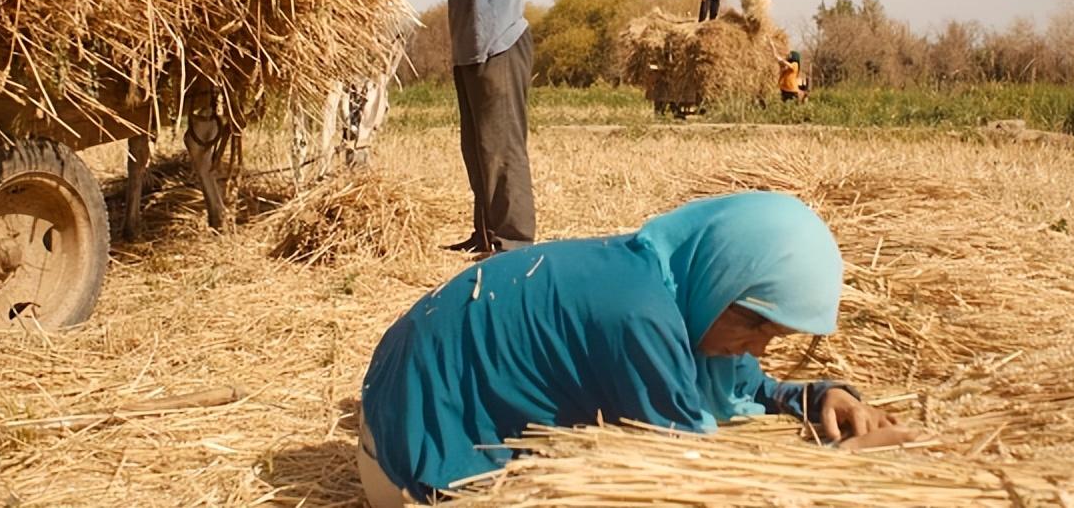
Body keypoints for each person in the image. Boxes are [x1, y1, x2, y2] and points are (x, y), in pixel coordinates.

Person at [358, 192, 912, 505]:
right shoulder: (640, 316)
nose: (756, 350)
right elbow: (699, 478)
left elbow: (744, 383)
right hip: (414, 469)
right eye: (752, 324)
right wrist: (840, 468)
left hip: (392, 422)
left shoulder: (666, 276)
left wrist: (815, 398)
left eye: (774, 336)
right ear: (722, 275)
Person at [400, 0, 535, 255]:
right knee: (476, 149)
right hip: (468, 52)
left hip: (498, 49)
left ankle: (513, 242)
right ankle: (485, 234)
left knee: (502, 148)